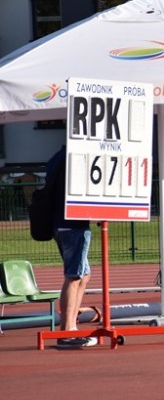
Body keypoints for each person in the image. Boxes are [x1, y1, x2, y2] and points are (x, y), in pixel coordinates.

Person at [46, 146, 97, 348]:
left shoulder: (57, 157)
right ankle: (67, 331)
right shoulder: (75, 158)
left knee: (84, 275)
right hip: (73, 224)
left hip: (61, 223)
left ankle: (71, 326)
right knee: (74, 276)